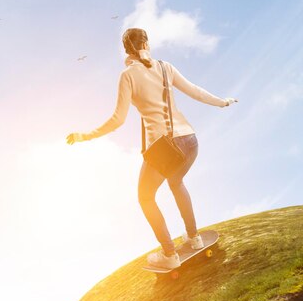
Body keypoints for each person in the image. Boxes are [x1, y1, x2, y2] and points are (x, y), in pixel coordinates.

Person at [66, 28, 238, 269]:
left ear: (126, 50)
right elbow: (195, 91)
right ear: (147, 43)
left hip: (165, 147)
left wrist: (85, 136)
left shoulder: (128, 76)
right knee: (176, 183)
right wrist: (223, 101)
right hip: (189, 140)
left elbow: (118, 120)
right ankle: (194, 237)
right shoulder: (165, 67)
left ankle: (170, 254)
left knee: (145, 197)